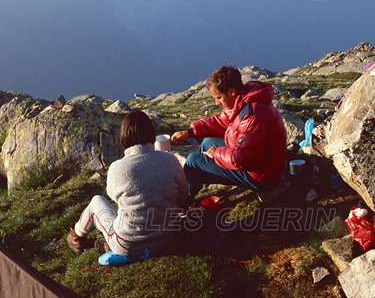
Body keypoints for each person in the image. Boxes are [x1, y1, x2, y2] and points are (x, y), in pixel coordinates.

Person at [67, 110, 188, 257]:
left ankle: (75, 237)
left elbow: (114, 198)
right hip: (167, 240)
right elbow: (182, 197)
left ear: (123, 136)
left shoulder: (117, 167)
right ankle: (102, 244)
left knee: (96, 202)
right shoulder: (171, 160)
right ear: (151, 133)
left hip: (127, 245)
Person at [171, 65, 287, 202]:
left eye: (218, 98)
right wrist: (189, 133)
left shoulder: (253, 116)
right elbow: (220, 121)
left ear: (231, 92)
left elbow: (244, 159)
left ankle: (183, 202)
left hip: (263, 176)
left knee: (193, 161)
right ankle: (198, 180)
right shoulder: (242, 99)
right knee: (208, 142)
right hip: (259, 163)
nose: (217, 103)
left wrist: (217, 154)